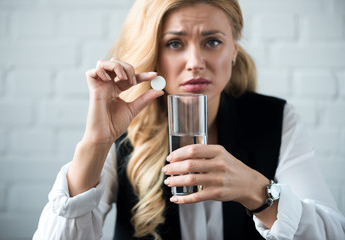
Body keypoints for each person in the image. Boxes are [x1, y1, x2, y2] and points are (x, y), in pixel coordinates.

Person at [33, 0, 345, 239]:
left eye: (212, 42)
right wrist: (96, 142)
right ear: (154, 53)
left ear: (233, 50)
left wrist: (257, 191)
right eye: (174, 43)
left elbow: (333, 232)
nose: (195, 63)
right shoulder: (123, 122)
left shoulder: (276, 117)